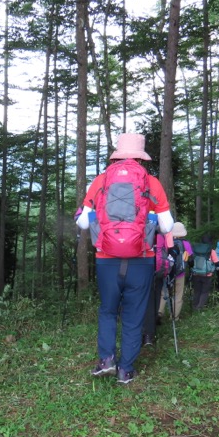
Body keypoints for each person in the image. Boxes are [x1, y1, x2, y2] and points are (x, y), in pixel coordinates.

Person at [76, 133, 173, 384]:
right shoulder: (151, 183)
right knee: (133, 314)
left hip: (106, 258)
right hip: (141, 258)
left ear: (117, 155)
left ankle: (106, 359)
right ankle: (125, 369)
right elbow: (167, 224)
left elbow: (84, 223)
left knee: (108, 310)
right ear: (141, 157)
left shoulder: (100, 181)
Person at [159, 221, 191, 322]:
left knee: (163, 293)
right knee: (178, 294)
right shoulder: (186, 244)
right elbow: (189, 259)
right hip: (180, 273)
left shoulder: (167, 241)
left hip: (166, 272)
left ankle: (159, 312)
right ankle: (174, 317)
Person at [189, 233, 219, 312]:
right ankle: (200, 307)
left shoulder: (195, 248)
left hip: (196, 273)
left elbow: (190, 260)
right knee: (204, 291)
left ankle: (194, 306)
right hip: (207, 274)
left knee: (197, 291)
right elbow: (217, 262)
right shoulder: (211, 250)